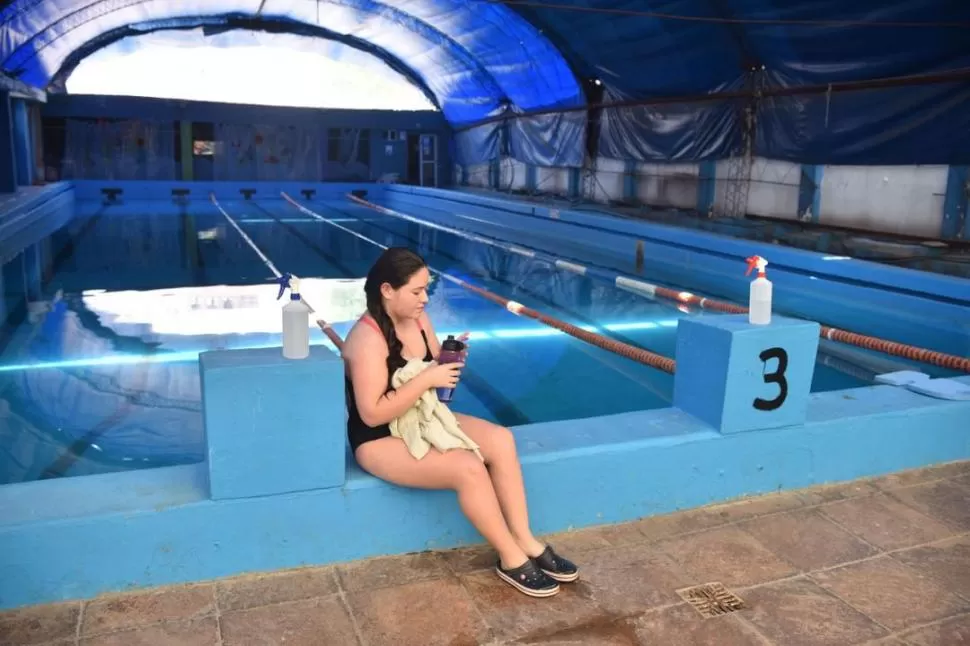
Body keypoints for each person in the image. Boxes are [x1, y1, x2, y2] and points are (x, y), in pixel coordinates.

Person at [341, 247, 579, 598]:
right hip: (379, 439)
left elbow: (431, 375)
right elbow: (372, 413)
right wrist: (428, 378)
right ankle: (510, 557)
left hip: (421, 417)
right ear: (387, 290)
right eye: (416, 291)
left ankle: (525, 539)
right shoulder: (367, 340)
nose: (426, 298)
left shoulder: (419, 320)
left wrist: (447, 361)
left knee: (500, 439)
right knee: (467, 467)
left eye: (426, 289)